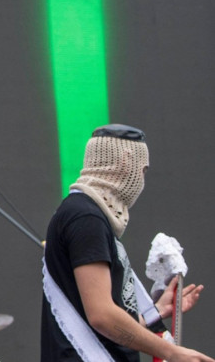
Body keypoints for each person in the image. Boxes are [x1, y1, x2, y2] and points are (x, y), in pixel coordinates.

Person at [41, 124, 213, 362]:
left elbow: (104, 322)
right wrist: (171, 352)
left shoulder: (88, 215)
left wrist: (159, 310)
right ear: (125, 162)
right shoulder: (86, 217)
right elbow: (102, 316)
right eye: (142, 170)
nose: (141, 180)